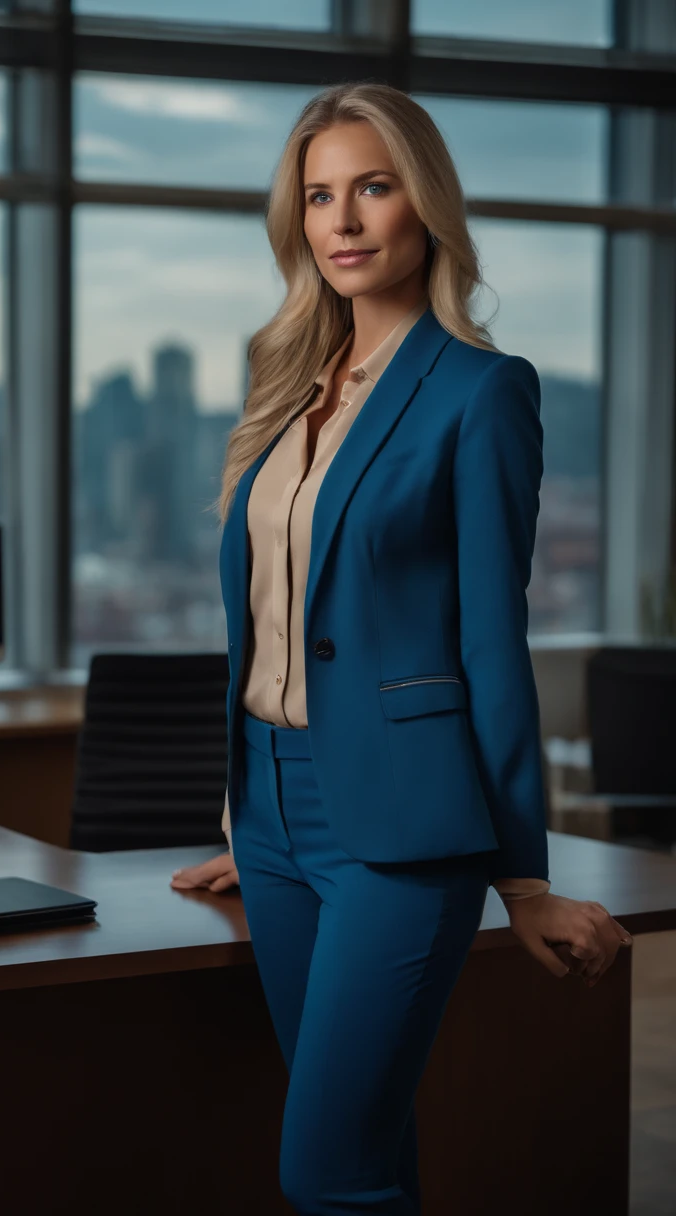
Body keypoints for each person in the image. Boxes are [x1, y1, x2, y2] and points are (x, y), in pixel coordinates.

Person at [170, 82, 632, 1215]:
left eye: (371, 188)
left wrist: (519, 875)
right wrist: (250, 813)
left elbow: (490, 639)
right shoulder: (284, 391)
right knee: (366, 1148)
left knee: (321, 1167)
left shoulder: (480, 392)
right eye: (320, 195)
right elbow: (275, 624)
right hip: (272, 817)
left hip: (399, 832)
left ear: (421, 204)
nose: (343, 220)